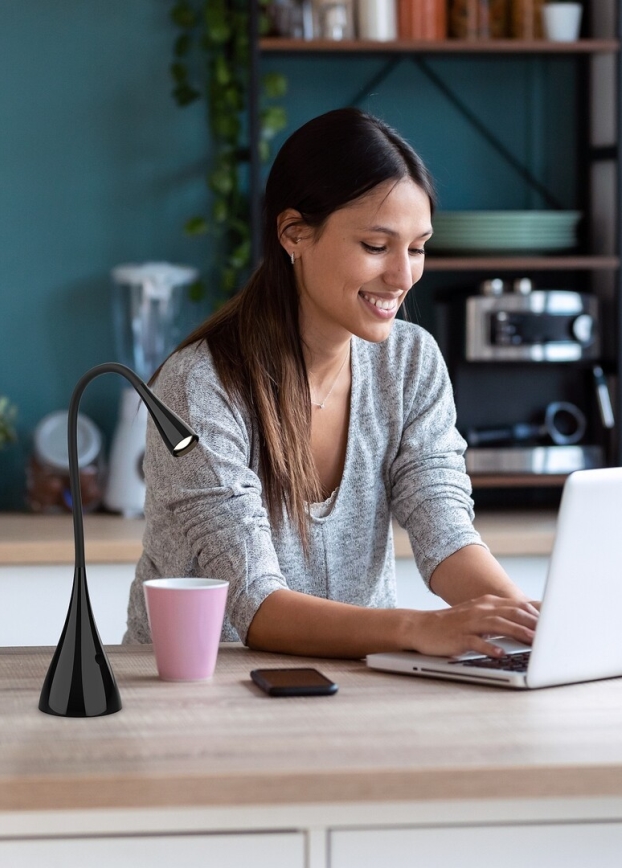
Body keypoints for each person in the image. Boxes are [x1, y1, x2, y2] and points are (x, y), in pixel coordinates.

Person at [124, 107, 539, 659]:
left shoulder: (409, 362)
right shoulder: (201, 385)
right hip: (201, 689)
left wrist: (533, 626)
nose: (403, 276)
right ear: (294, 234)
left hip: (354, 686)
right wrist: (417, 629)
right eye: (376, 246)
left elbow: (445, 531)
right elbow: (255, 605)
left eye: (417, 248)